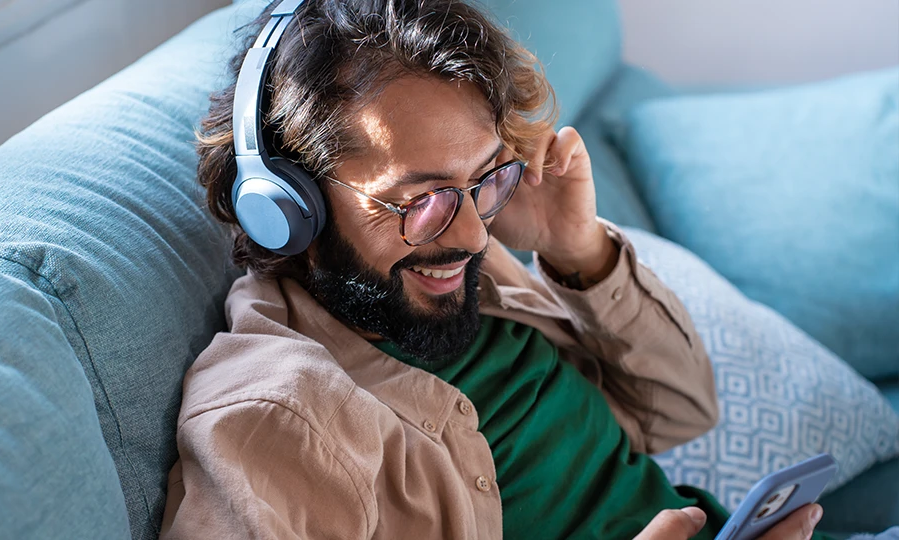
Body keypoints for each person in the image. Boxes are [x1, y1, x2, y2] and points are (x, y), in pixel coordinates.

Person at [158, 0, 828, 538]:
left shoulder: (461, 277)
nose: (474, 235)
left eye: (483, 180)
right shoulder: (271, 420)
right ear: (286, 208)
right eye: (421, 199)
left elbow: (684, 413)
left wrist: (578, 250)